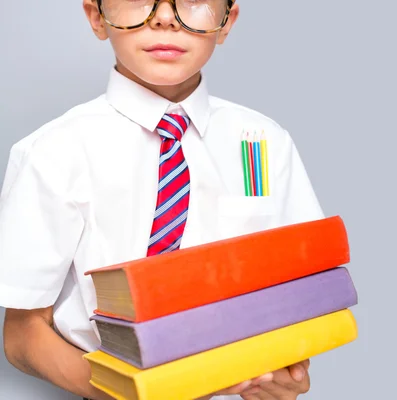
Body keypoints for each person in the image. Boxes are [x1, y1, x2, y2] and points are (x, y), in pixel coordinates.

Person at [0, 1, 324, 399]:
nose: (165, 18)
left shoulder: (263, 141)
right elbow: (21, 333)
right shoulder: (52, 151)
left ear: (226, 22)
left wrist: (286, 375)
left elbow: (301, 292)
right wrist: (135, 392)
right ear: (96, 17)